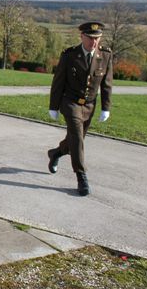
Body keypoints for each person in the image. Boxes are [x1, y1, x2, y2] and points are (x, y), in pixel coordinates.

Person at [47, 22, 113, 196]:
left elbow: (107, 84)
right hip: (70, 102)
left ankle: (56, 153)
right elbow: (58, 81)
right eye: (90, 38)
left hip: (90, 104)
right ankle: (81, 177)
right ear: (82, 36)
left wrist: (105, 107)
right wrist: (53, 106)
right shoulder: (69, 55)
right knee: (77, 137)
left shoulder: (105, 55)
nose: (94, 42)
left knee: (75, 140)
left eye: (97, 38)